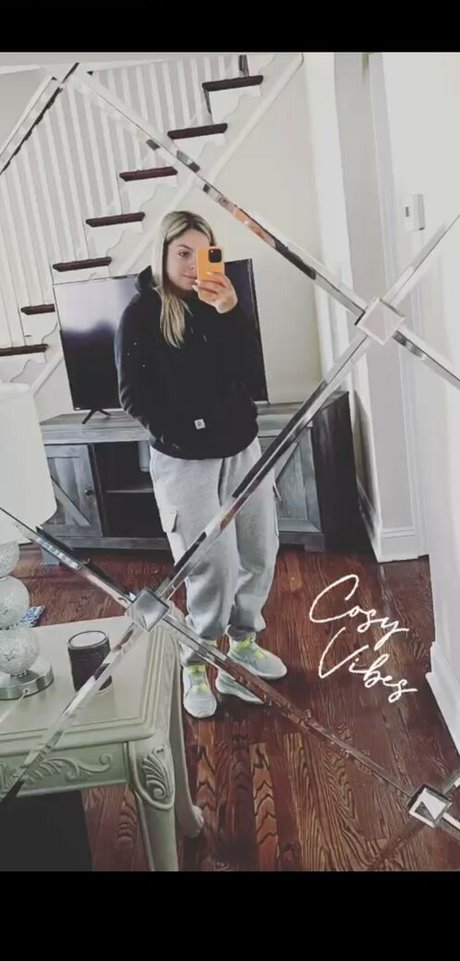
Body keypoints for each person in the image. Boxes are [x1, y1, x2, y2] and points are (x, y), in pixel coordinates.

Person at [114, 210, 286, 718]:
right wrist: (186, 430)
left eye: (203, 252)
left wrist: (231, 312)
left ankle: (241, 649)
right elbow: (133, 396)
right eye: (183, 253)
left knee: (259, 550)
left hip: (243, 449)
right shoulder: (141, 315)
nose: (193, 264)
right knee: (211, 564)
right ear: (163, 254)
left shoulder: (221, 301)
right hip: (185, 461)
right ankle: (196, 662)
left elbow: (250, 372)